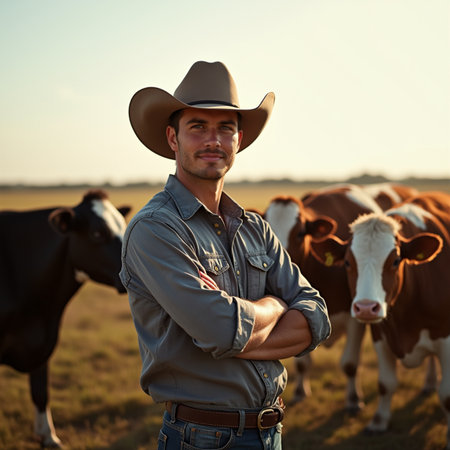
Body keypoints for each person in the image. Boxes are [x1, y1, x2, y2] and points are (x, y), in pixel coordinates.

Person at [120, 61, 331, 450]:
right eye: (197, 126)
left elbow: (316, 314)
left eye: (225, 128)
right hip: (201, 437)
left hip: (272, 432)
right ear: (172, 138)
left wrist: (236, 332)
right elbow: (218, 330)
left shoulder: (255, 227)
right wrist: (274, 305)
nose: (212, 140)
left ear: (239, 139)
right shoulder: (155, 229)